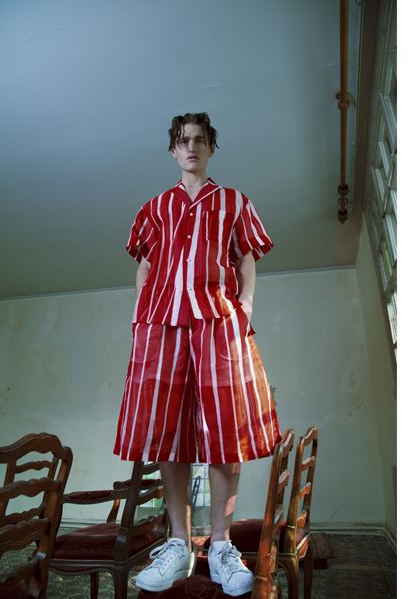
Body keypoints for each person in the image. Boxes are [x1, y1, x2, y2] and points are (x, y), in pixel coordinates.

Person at [113, 112, 281, 596]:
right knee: (167, 430)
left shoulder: (234, 202)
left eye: (200, 140)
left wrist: (245, 307)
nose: (192, 147)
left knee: (227, 428)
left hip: (218, 321)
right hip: (162, 324)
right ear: (173, 150)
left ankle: (223, 546)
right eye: (184, 141)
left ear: (210, 148)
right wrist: (140, 314)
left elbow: (247, 256)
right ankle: (179, 545)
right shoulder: (154, 208)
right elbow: (145, 264)